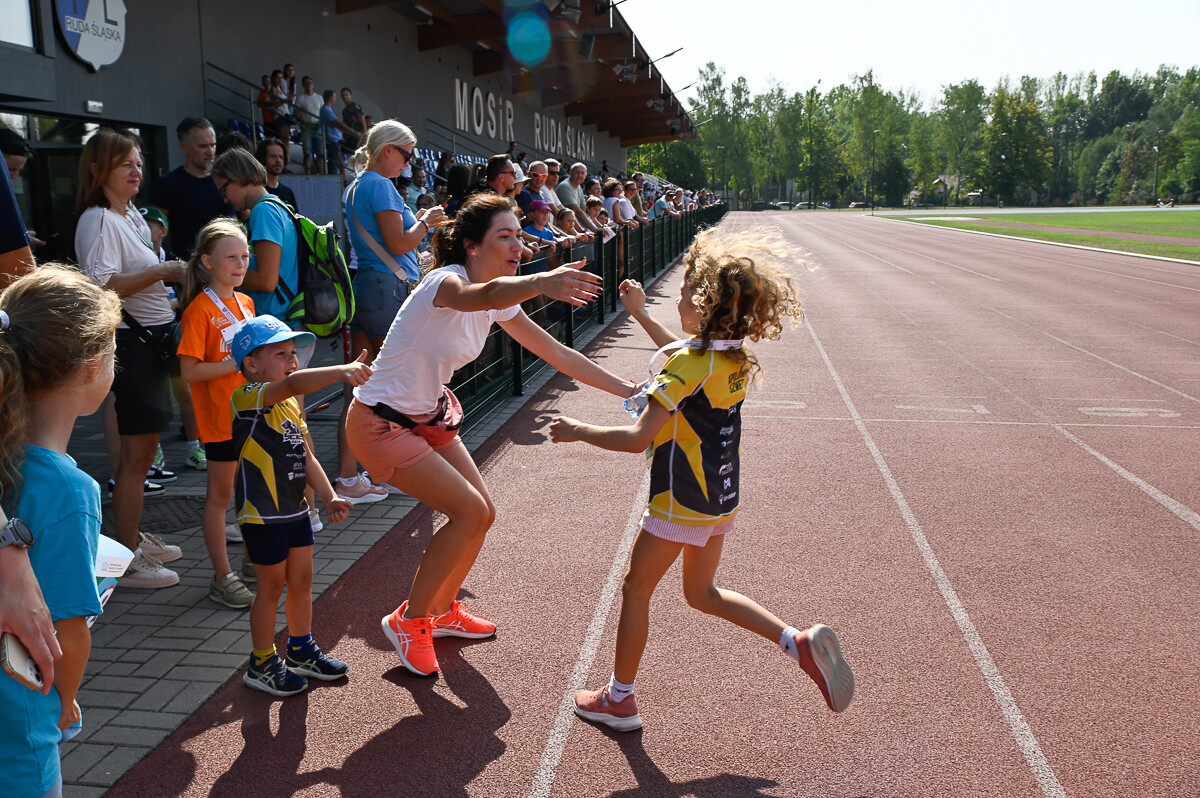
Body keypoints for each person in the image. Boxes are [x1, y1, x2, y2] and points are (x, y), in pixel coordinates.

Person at [548, 228, 854, 731]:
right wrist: (642, 315)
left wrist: (578, 430)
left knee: (636, 590)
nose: (681, 297)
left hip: (679, 501)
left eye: (688, 291)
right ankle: (795, 642)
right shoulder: (730, 355)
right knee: (703, 593)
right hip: (720, 498)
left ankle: (619, 698)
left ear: (708, 304)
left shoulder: (692, 362)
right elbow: (685, 356)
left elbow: (636, 438)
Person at [345, 194, 636, 677]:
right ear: (470, 246)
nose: (517, 245)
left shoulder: (498, 300)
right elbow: (476, 297)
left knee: (482, 515)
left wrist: (629, 390)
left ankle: (440, 612)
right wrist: (542, 280)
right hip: (378, 424)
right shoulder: (445, 282)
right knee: (469, 511)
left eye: (520, 236)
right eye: (505, 236)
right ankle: (409, 620)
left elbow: (558, 353)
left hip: (425, 417)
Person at [0, 264, 122, 797]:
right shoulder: (72, 491)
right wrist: (66, 700)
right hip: (22, 723)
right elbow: (69, 633)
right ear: (94, 364)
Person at [230, 316, 369, 696]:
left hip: (294, 510)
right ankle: (260, 662)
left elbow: (307, 457)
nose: (291, 360)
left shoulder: (290, 403)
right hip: (261, 513)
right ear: (251, 364)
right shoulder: (247, 396)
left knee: (303, 581)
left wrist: (329, 496)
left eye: (293, 353)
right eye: (280, 353)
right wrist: (341, 370)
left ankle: (301, 649)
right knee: (271, 587)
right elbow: (291, 382)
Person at [76, 127, 186, 589]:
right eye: (126, 163)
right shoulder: (100, 219)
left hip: (149, 342)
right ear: (98, 170)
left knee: (140, 455)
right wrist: (163, 270)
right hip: (135, 347)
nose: (136, 170)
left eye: (139, 162)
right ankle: (123, 556)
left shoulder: (128, 215)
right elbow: (100, 285)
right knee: (137, 458)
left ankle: (130, 539)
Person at [340, 121, 447, 500]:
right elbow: (398, 239)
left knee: (363, 386)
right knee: (390, 386)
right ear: (387, 150)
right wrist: (425, 220)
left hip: (369, 286)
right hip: (386, 288)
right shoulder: (380, 185)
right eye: (405, 153)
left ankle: (350, 476)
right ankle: (389, 467)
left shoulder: (356, 185)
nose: (408, 161)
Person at [177, 219, 258, 610]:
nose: (241, 264)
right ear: (207, 261)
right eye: (231, 257)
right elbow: (190, 371)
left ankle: (250, 562)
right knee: (220, 496)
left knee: (251, 490)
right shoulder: (197, 310)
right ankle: (222, 576)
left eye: (244, 256)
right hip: (219, 419)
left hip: (250, 413)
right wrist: (237, 363)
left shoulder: (245, 303)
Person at [149, 117, 233, 259]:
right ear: (184, 147)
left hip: (232, 266)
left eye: (213, 145)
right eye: (203, 146)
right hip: (190, 270)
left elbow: (248, 219)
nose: (210, 151)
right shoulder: (168, 184)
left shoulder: (230, 179)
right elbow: (152, 233)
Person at [256, 138, 298, 211]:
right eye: (273, 156)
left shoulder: (288, 192)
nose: (278, 160)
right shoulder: (255, 191)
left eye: (281, 157)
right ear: (262, 158)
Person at [293, 76, 323, 174]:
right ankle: (308, 174)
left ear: (312, 84)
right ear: (303, 85)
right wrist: (303, 121)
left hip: (317, 127)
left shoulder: (319, 98)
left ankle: (321, 173)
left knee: (320, 153)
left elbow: (323, 112)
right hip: (306, 127)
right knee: (307, 153)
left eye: (310, 83)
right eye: (306, 83)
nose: (308, 85)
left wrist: (320, 123)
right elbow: (295, 112)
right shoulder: (301, 98)